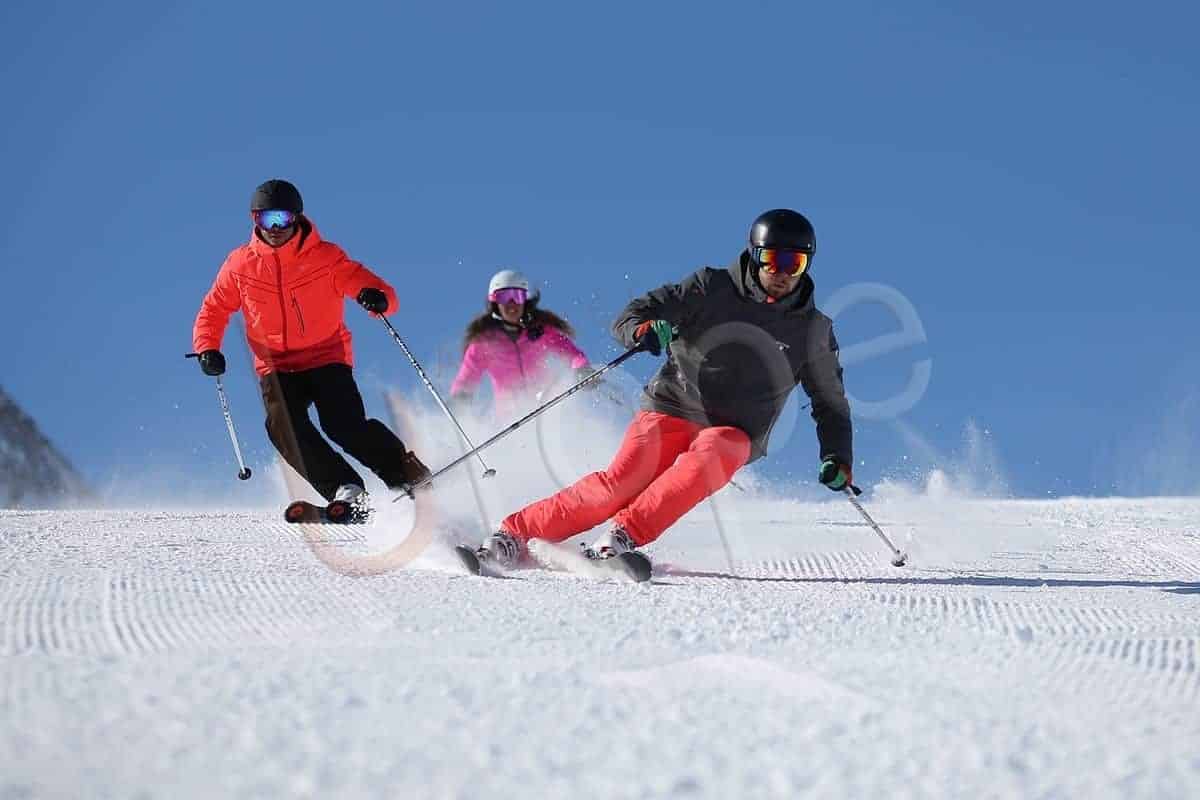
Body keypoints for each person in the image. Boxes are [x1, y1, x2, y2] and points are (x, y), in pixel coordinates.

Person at [470, 209, 853, 566]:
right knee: (620, 486)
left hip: (738, 430)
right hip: (674, 405)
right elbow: (634, 315)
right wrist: (644, 331)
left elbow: (830, 401)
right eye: (772, 260)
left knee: (712, 454)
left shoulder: (814, 332)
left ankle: (621, 537)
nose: (782, 272)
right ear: (754, 256)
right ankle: (513, 535)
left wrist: (837, 457)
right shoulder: (710, 287)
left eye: (795, 263)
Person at [191, 179, 431, 516]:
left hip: (325, 355)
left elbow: (377, 290)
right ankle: (344, 489)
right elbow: (214, 308)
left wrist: (377, 298)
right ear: (254, 220)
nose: (275, 229)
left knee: (342, 424)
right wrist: (207, 347)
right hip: (274, 364)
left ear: (297, 218)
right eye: (265, 220)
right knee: (282, 427)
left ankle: (405, 473)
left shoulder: (325, 257)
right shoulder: (240, 265)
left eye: (282, 219)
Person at [448, 269, 594, 418]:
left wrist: (582, 368)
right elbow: (467, 377)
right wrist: (460, 398)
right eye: (504, 297)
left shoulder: (540, 330)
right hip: (509, 419)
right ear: (495, 302)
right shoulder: (485, 343)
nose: (511, 304)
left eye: (517, 296)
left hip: (545, 410)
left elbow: (571, 353)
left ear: (525, 299)